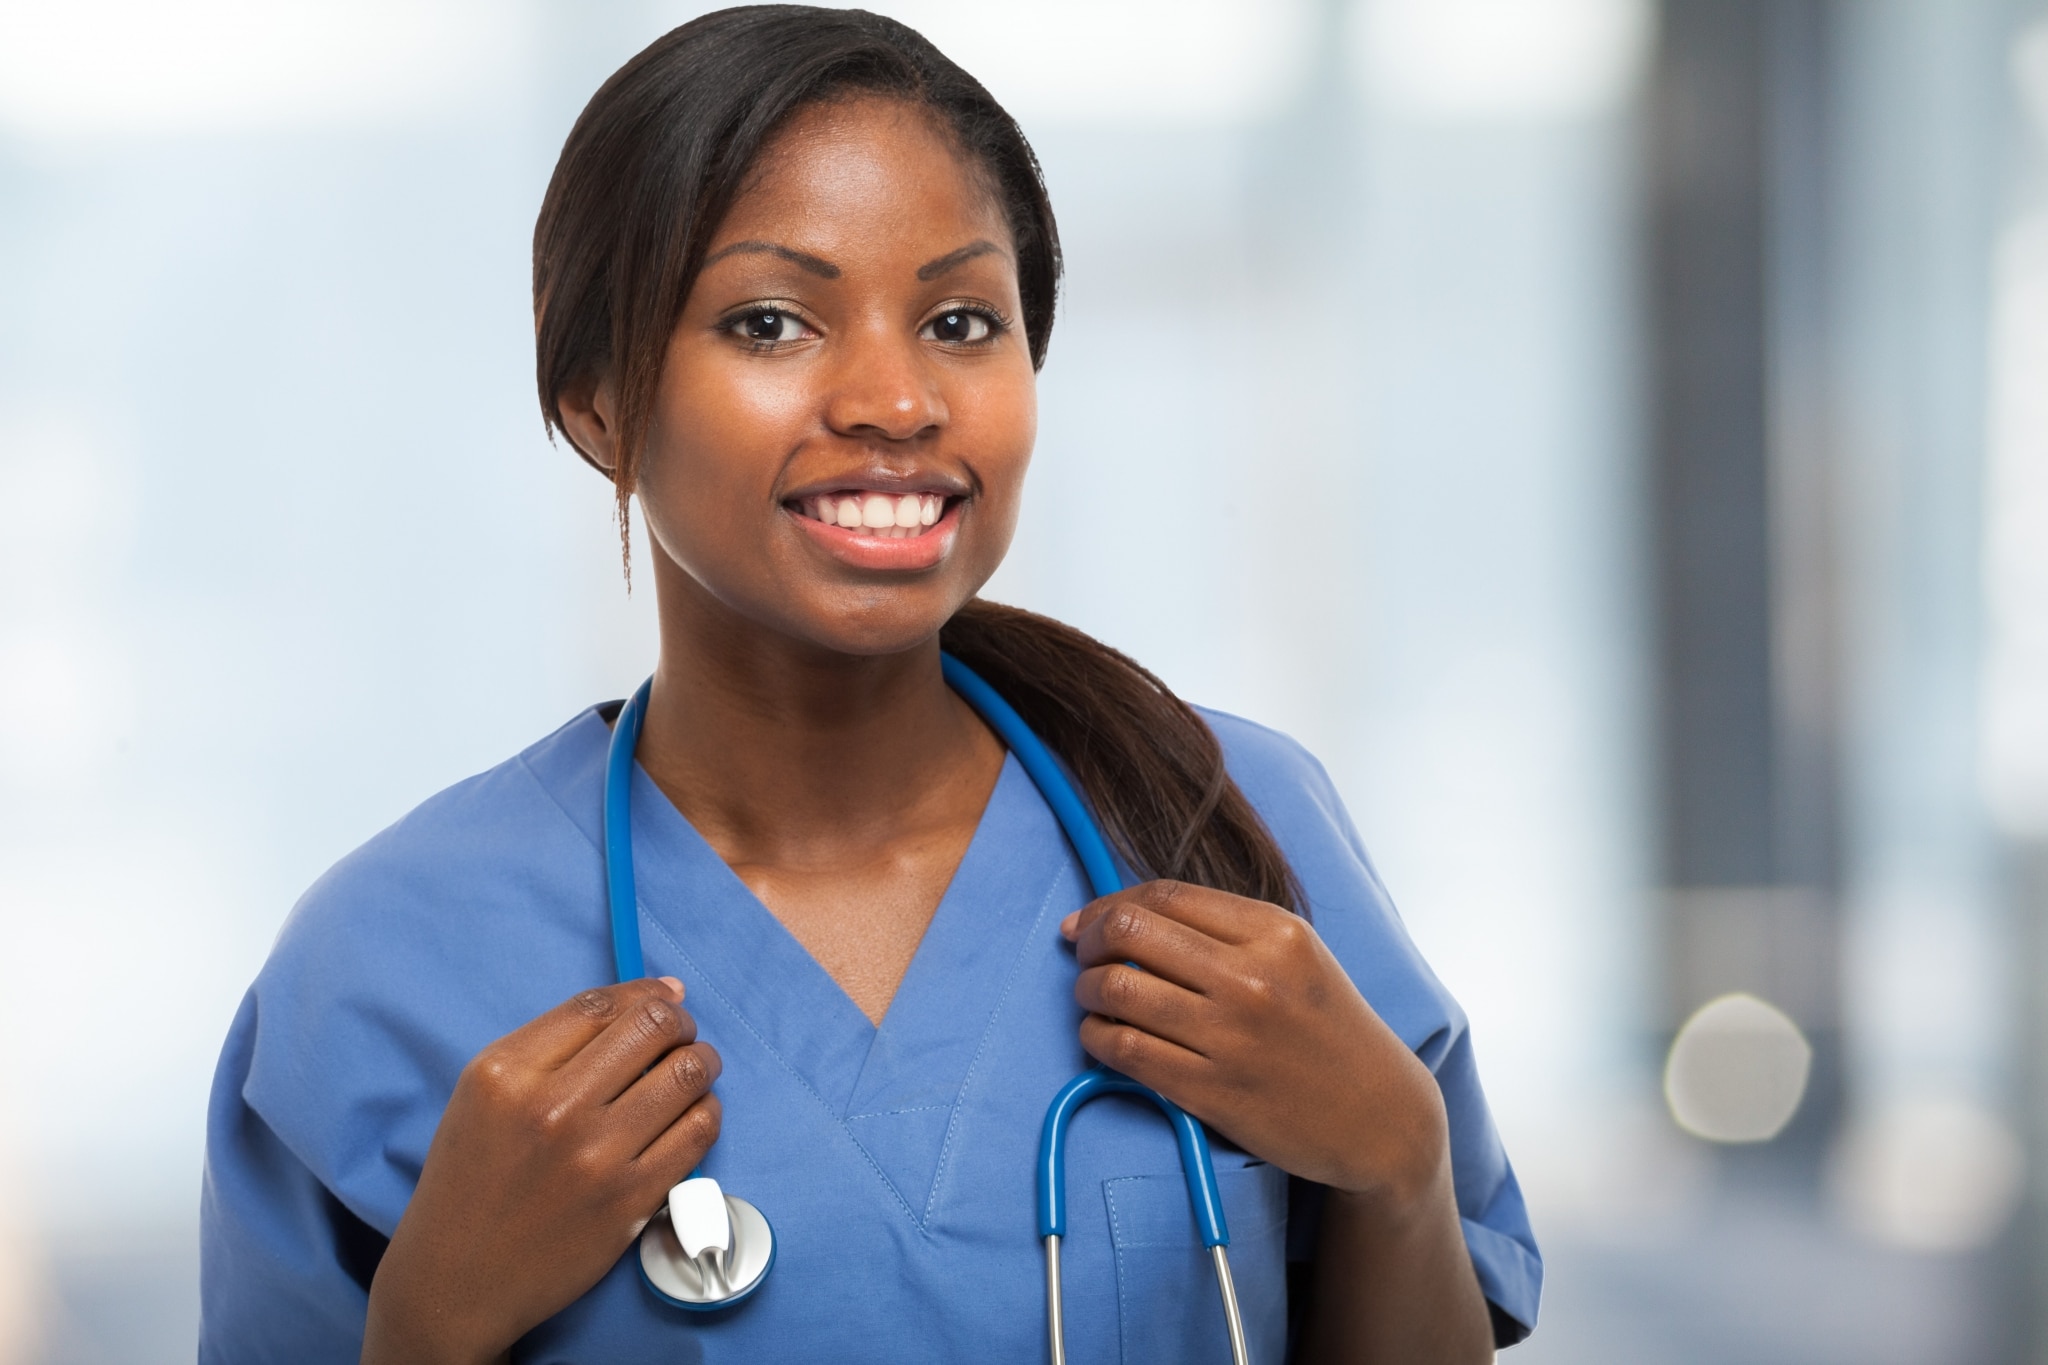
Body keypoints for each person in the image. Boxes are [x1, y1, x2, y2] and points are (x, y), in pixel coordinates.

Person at [198, 8, 1540, 1362]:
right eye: (771, 321)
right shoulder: (388, 961)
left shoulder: (1230, 821)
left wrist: (1399, 1163)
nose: (896, 401)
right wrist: (430, 1321)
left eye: (961, 319)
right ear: (597, 395)